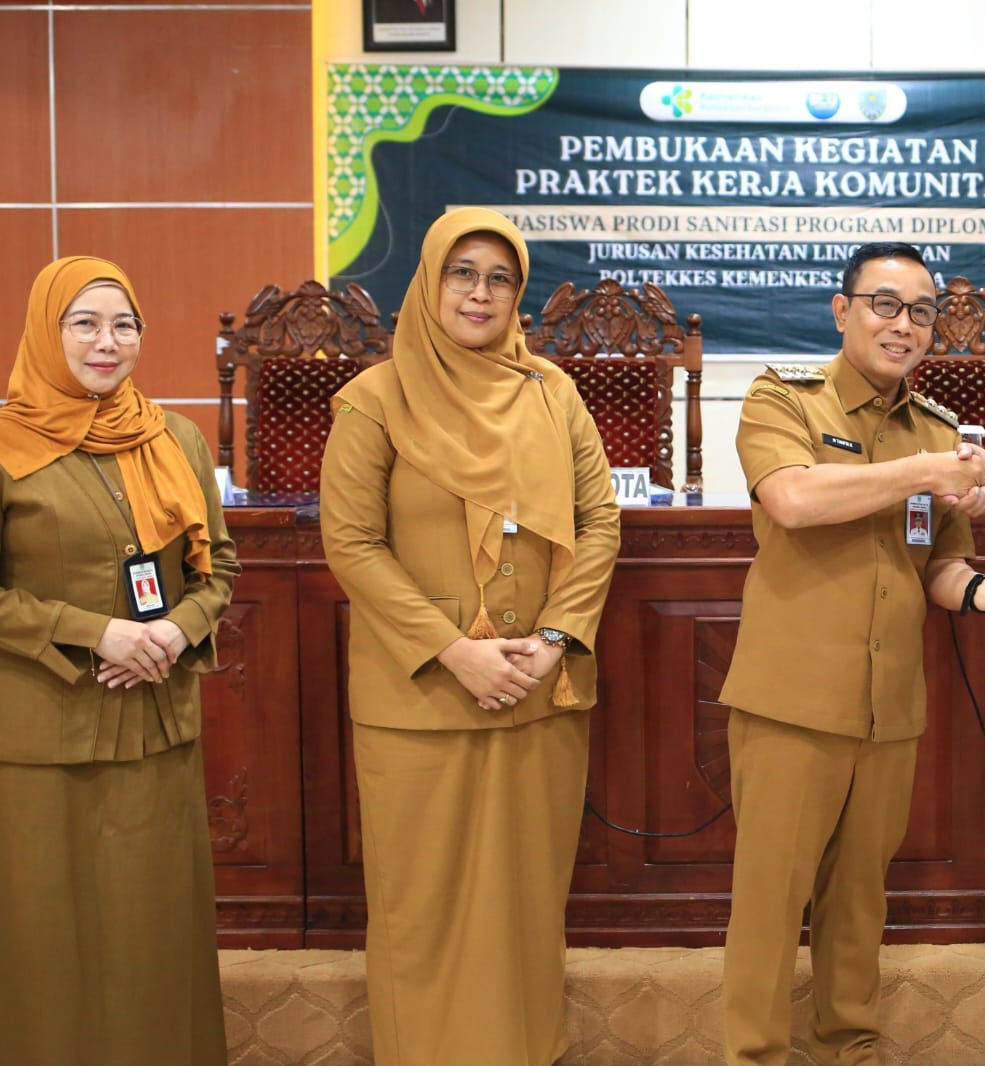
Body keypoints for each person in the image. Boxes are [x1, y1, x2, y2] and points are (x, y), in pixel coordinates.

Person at [320, 207, 621, 1066]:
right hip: (421, 694)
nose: (480, 294)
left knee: (525, 906)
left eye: (500, 279)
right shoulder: (375, 399)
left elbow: (599, 522)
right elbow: (351, 542)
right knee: (424, 909)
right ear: (429, 281)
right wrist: (455, 651)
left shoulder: (552, 393)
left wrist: (556, 639)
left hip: (537, 687)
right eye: (462, 274)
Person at [718, 241, 985, 1066]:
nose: (904, 325)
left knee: (859, 906)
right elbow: (792, 498)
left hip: (889, 709)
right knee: (770, 906)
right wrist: (922, 473)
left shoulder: (937, 431)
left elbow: (942, 567)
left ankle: (849, 1050)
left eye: (922, 312)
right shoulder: (783, 399)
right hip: (791, 701)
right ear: (842, 310)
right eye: (886, 304)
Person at [0, 256, 238, 1064]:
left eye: (124, 325)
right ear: (46, 330)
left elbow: (219, 566)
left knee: (154, 938)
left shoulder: (175, 437)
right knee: (49, 942)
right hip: (42, 738)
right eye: (85, 324)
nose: (107, 342)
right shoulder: (5, 445)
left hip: (156, 727)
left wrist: (174, 631)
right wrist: (93, 632)